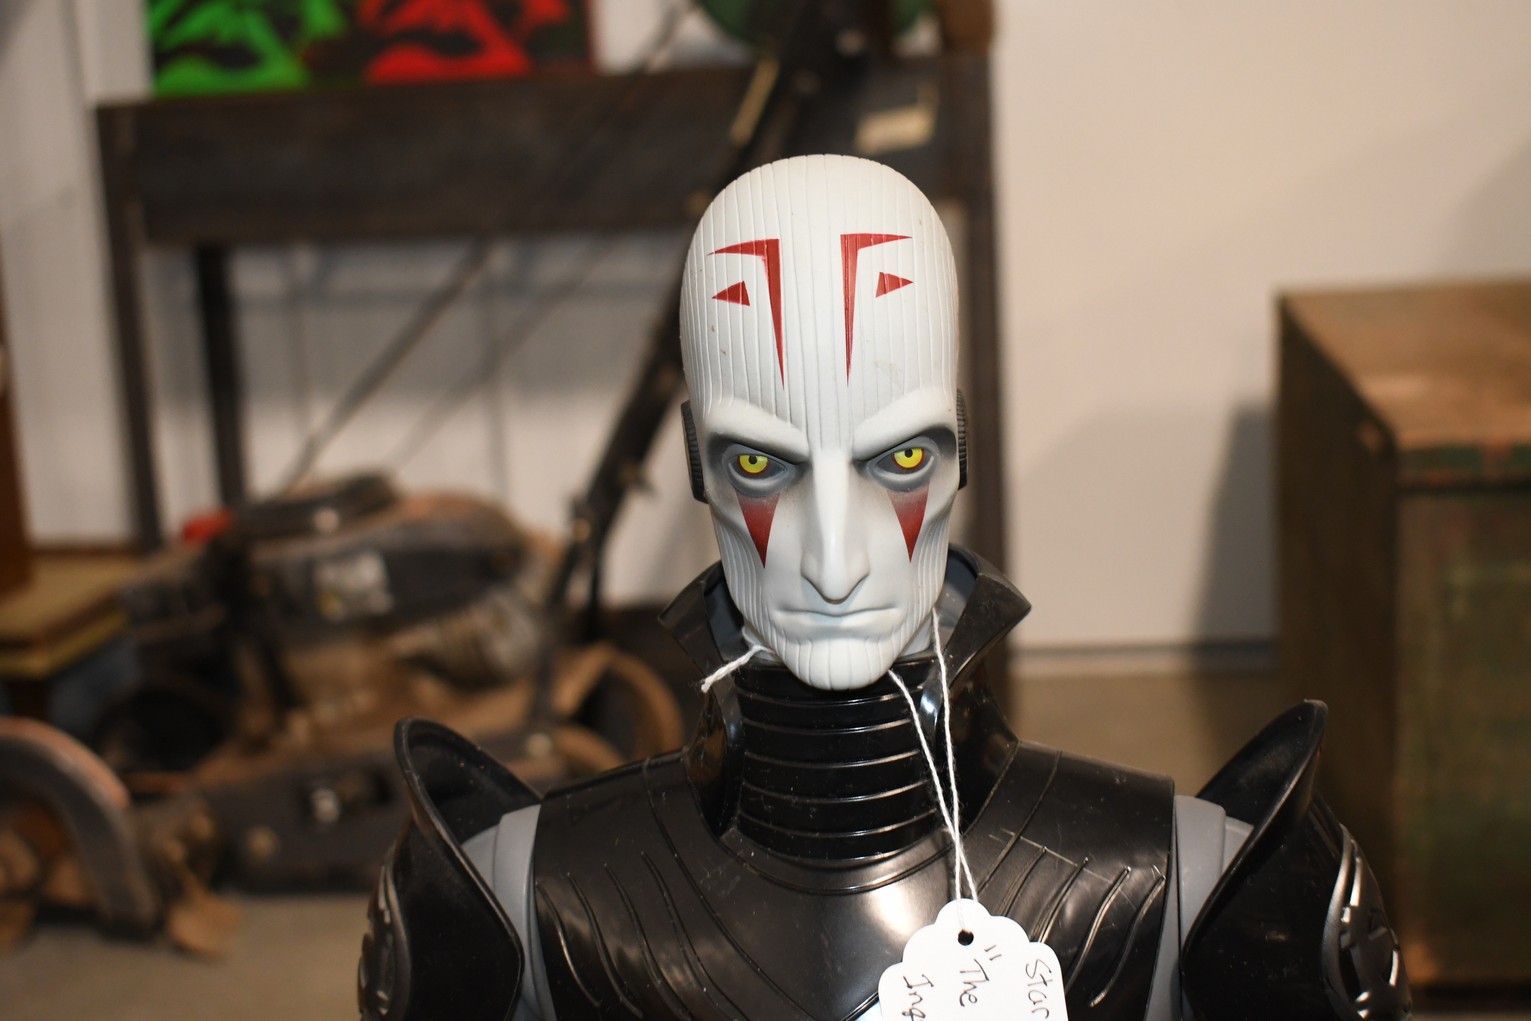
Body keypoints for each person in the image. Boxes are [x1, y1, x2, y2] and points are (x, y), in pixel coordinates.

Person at [358, 155, 1411, 1021]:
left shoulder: (1200, 885)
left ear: (958, 453)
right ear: (695, 465)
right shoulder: (513, 899)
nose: (833, 561)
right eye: (760, 464)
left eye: (898, 459)